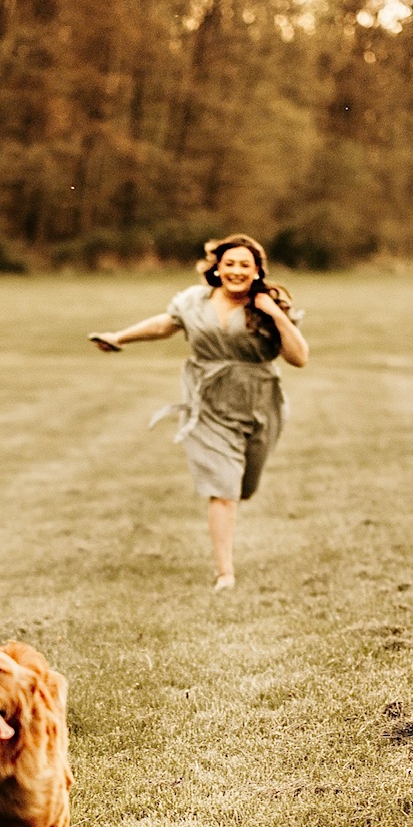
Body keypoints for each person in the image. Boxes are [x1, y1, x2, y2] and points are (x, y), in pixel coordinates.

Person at [90, 234, 308, 589]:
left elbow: (299, 358)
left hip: (258, 405)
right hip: (207, 406)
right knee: (222, 489)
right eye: (229, 263)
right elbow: (164, 325)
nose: (236, 271)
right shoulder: (194, 301)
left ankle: (234, 508)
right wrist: (119, 337)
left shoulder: (268, 306)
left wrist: (274, 314)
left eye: (245, 265)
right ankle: (225, 573)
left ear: (257, 271)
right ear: (217, 267)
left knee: (244, 486)